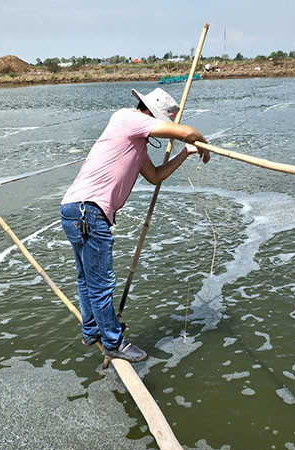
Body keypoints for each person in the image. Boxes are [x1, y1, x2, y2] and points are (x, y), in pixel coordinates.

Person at [60, 88, 209, 363]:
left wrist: (186, 153)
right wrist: (201, 142)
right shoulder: (128, 118)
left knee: (87, 278)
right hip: (89, 212)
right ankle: (113, 341)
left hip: (73, 209)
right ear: (150, 113)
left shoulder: (135, 143)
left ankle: (92, 330)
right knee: (101, 283)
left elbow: (155, 177)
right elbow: (187, 132)